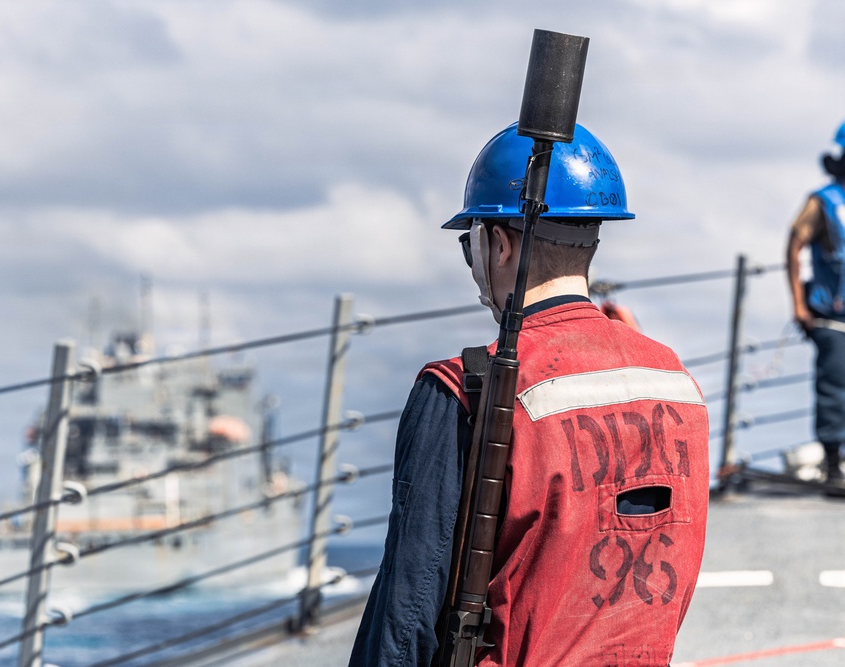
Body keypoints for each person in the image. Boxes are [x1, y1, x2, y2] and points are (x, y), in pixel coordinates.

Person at [349, 123, 710, 666]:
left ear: (497, 244)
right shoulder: (675, 381)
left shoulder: (461, 388)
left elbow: (408, 611)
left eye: (468, 245)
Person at [786, 121, 845, 484]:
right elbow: (794, 245)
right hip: (831, 315)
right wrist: (799, 305)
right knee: (834, 389)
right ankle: (834, 465)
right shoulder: (822, 201)